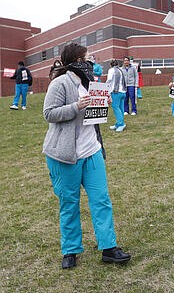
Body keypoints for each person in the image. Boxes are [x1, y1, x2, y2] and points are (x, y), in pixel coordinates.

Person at [42, 43, 131, 269]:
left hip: (92, 150)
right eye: (87, 59)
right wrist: (75, 106)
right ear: (75, 61)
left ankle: (109, 247)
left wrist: (104, 102)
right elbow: (49, 113)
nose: (91, 63)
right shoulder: (60, 83)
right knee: (69, 203)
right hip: (65, 155)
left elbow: (93, 116)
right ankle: (70, 250)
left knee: (101, 199)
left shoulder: (91, 83)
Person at [105, 59, 127, 132]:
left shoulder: (111, 70)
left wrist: (105, 87)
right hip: (123, 91)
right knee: (121, 108)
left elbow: (109, 80)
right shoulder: (120, 70)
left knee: (115, 108)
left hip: (116, 92)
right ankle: (119, 123)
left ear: (110, 65)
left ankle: (121, 124)